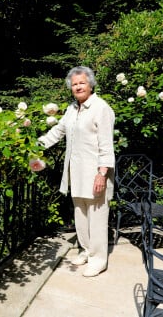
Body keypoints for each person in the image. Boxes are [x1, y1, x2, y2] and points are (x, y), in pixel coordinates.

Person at [38, 66, 115, 277]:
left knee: (97, 217)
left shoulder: (101, 108)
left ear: (90, 84)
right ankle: (86, 250)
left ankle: (98, 260)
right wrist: (35, 146)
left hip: (96, 173)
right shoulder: (72, 109)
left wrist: (102, 173)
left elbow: (107, 144)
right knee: (80, 214)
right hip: (76, 173)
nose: (78, 87)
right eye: (74, 84)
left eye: (81, 82)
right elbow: (57, 132)